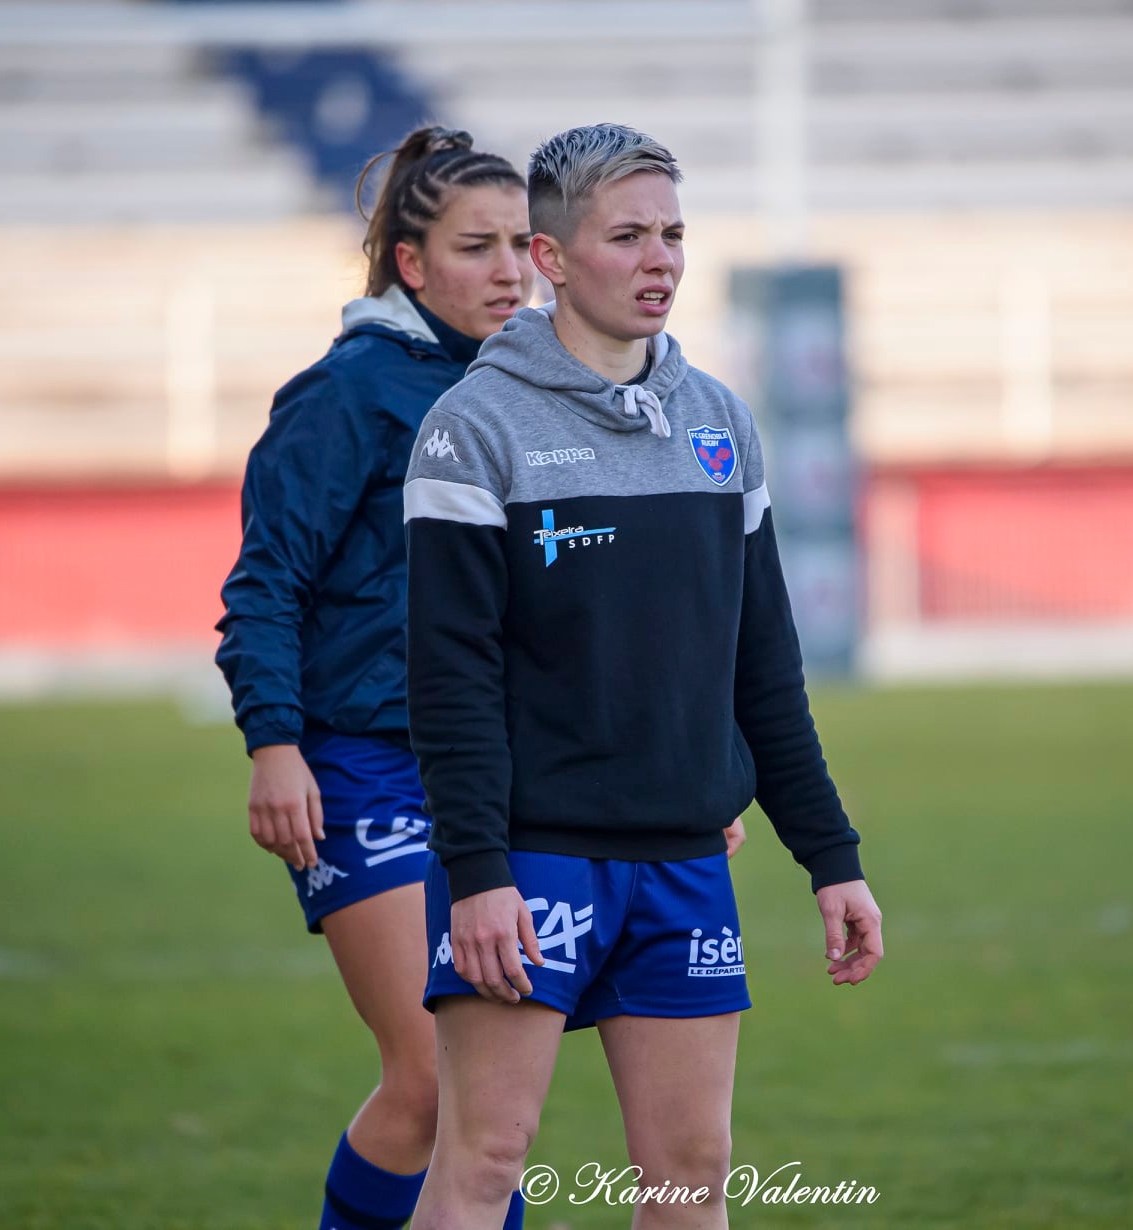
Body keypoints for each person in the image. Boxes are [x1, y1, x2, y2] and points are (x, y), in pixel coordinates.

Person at [403, 123, 885, 1230]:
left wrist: (832, 857)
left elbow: (763, 668)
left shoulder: (720, 424)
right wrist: (476, 871)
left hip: (682, 862)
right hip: (530, 862)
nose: (661, 257)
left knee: (691, 1178)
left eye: (673, 232)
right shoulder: (473, 429)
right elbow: (451, 678)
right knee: (484, 1162)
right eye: (627, 235)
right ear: (551, 258)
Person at [214, 125, 538, 1230]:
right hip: (361, 766)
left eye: (522, 246)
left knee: (484, 1094)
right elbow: (265, 584)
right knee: (440, 1076)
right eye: (476, 247)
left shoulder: (532, 392)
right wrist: (274, 744)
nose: (509, 271)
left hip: (492, 775)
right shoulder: (346, 394)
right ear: (411, 262)